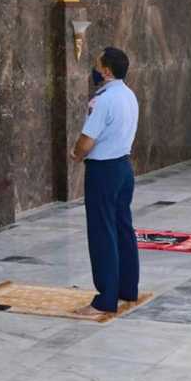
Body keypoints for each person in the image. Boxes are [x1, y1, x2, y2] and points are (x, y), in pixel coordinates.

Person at [70, 47, 140, 315]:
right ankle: (127, 289)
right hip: (124, 167)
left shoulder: (103, 99)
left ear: (107, 70)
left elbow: (88, 139)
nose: (94, 68)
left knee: (102, 232)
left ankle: (105, 299)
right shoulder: (129, 95)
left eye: (97, 64)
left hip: (103, 171)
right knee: (123, 228)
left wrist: (76, 153)